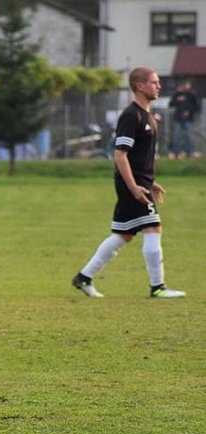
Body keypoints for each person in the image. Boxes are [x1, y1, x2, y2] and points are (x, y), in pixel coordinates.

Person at [72, 67, 185, 300]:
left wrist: (150, 182)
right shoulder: (131, 116)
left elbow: (139, 157)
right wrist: (134, 187)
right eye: (154, 82)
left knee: (124, 234)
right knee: (153, 227)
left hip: (140, 182)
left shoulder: (148, 116)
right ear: (140, 86)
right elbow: (120, 154)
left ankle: (84, 277)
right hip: (131, 185)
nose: (159, 86)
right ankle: (158, 287)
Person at [167, 79, 201, 159]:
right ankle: (176, 153)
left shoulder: (191, 95)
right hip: (178, 118)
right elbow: (171, 104)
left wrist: (189, 111)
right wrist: (177, 99)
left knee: (188, 136)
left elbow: (197, 107)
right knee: (176, 136)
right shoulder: (177, 94)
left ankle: (188, 153)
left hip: (188, 119)